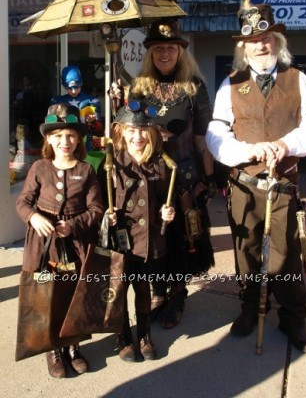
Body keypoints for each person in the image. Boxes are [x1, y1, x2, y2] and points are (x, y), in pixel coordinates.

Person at [205, 0, 306, 353]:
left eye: (267, 37)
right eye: (253, 40)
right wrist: (247, 152)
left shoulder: (298, 80)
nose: (261, 44)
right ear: (243, 47)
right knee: (247, 250)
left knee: (286, 253)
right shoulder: (231, 84)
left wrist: (286, 145)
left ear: (277, 41)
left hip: (285, 185)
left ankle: (294, 318)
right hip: (245, 185)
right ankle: (249, 308)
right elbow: (216, 132)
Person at [128, 19, 216, 329]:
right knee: (152, 235)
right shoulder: (137, 88)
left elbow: (203, 138)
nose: (165, 53)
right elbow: (128, 132)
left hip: (185, 176)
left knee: (181, 238)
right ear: (149, 53)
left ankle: (177, 295)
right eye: (158, 48)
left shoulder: (195, 87)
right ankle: (158, 292)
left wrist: (208, 179)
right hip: (149, 175)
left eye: (171, 48)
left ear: (180, 52)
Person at [16, 103, 104, 378]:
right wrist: (33, 217)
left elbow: (96, 209)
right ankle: (53, 348)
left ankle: (73, 346)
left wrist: (74, 225)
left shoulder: (86, 170)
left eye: (71, 136)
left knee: (73, 294)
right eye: (58, 135)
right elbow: (23, 201)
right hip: (43, 245)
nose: (64, 141)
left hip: (75, 243)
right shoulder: (39, 168)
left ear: (78, 140)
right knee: (47, 296)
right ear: (48, 139)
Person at [97, 103, 175, 362]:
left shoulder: (160, 164)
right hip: (120, 243)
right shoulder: (110, 165)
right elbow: (96, 202)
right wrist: (104, 217)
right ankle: (122, 337)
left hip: (147, 241)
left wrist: (167, 212)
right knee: (118, 291)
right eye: (132, 129)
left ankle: (144, 334)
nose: (138, 136)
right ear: (121, 131)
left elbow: (165, 199)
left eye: (143, 129)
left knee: (143, 290)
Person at [51, 65, 103, 150]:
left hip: (85, 144)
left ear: (81, 83)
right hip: (64, 143)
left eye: (77, 87)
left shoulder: (91, 101)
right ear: (64, 85)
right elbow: (51, 129)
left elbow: (100, 131)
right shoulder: (57, 102)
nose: (74, 91)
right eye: (69, 88)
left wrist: (93, 122)